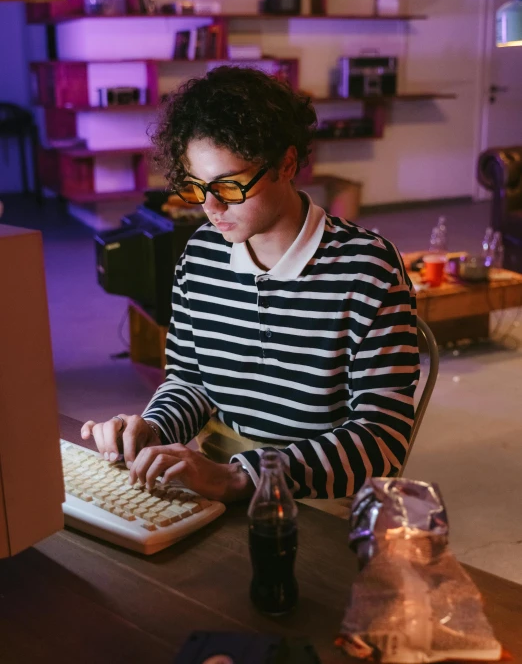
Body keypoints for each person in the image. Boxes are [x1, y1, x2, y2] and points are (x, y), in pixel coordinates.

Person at [82, 67, 420, 512]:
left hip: (320, 500)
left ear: (287, 163)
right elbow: (190, 380)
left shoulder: (366, 268)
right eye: (196, 187)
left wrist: (242, 476)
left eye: (229, 185)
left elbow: (381, 439)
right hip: (211, 481)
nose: (211, 208)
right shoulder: (201, 254)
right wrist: (154, 427)